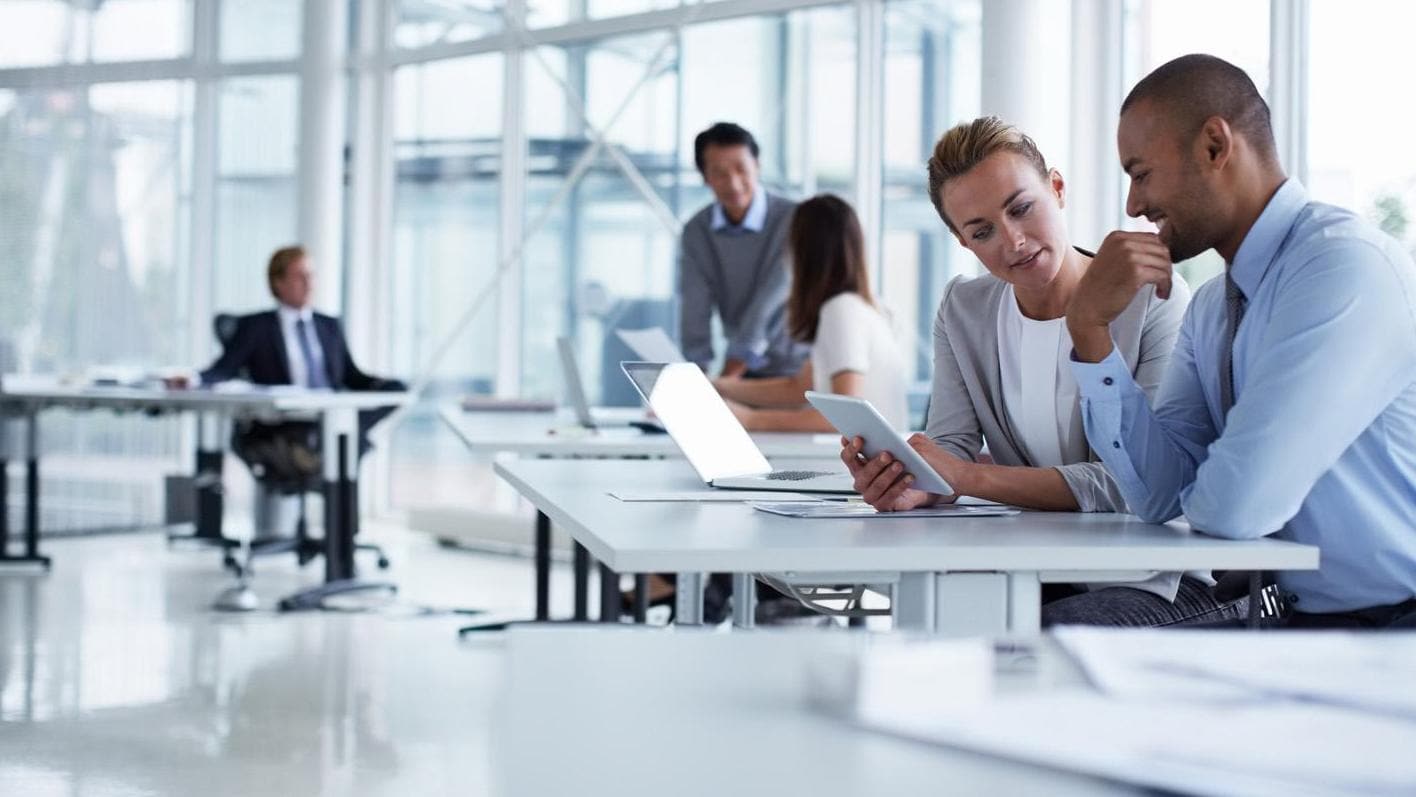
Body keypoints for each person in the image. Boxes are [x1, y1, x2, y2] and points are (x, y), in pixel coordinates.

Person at [1061, 54, 1416, 629]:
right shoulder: (1211, 309)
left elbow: (1234, 509)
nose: (1132, 205)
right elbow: (1158, 494)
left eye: (1141, 172)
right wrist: (1089, 331)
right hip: (1303, 625)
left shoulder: (1342, 269)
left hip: (1395, 632)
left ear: (1214, 146)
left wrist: (1207, 485)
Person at [842, 115, 1240, 627]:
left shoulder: (1152, 300)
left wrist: (967, 477)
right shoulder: (965, 309)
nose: (1013, 242)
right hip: (1040, 570)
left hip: (1158, 577)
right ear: (964, 243)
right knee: (936, 623)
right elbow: (950, 450)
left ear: (1056, 188)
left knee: (1024, 638)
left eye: (1022, 209)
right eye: (982, 231)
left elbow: (1136, 483)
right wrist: (912, 481)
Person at [172, 245, 403, 481]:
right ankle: (338, 437)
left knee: (393, 393)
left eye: (311, 276)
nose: (309, 283)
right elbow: (224, 369)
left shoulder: (329, 326)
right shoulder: (257, 326)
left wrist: (386, 384)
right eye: (300, 276)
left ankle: (341, 432)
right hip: (286, 422)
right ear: (278, 283)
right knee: (340, 441)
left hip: (329, 413)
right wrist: (194, 379)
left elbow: (350, 376)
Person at [713, 194, 907, 432]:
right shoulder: (867, 308)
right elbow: (799, 387)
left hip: (861, 464)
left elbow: (845, 418)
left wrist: (751, 419)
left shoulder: (841, 311)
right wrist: (719, 387)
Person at [678, 122, 807, 379]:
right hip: (743, 370)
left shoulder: (795, 220)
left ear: (757, 166)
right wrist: (694, 378)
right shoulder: (696, 231)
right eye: (720, 173)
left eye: (741, 169)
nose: (734, 184)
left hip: (797, 368)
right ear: (705, 177)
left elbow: (770, 301)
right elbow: (695, 306)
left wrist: (728, 377)